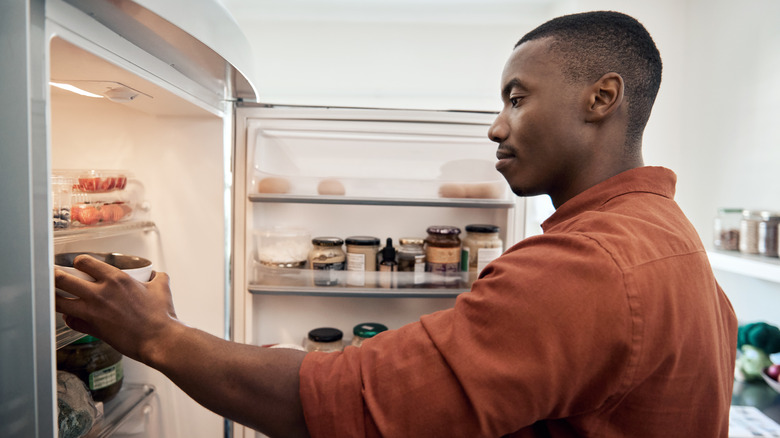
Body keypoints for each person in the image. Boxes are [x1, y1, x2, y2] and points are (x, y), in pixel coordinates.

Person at [55, 10, 737, 438]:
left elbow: (348, 403)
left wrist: (156, 335)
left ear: (602, 98)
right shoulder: (665, 236)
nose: (497, 126)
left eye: (517, 97)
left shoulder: (588, 266)